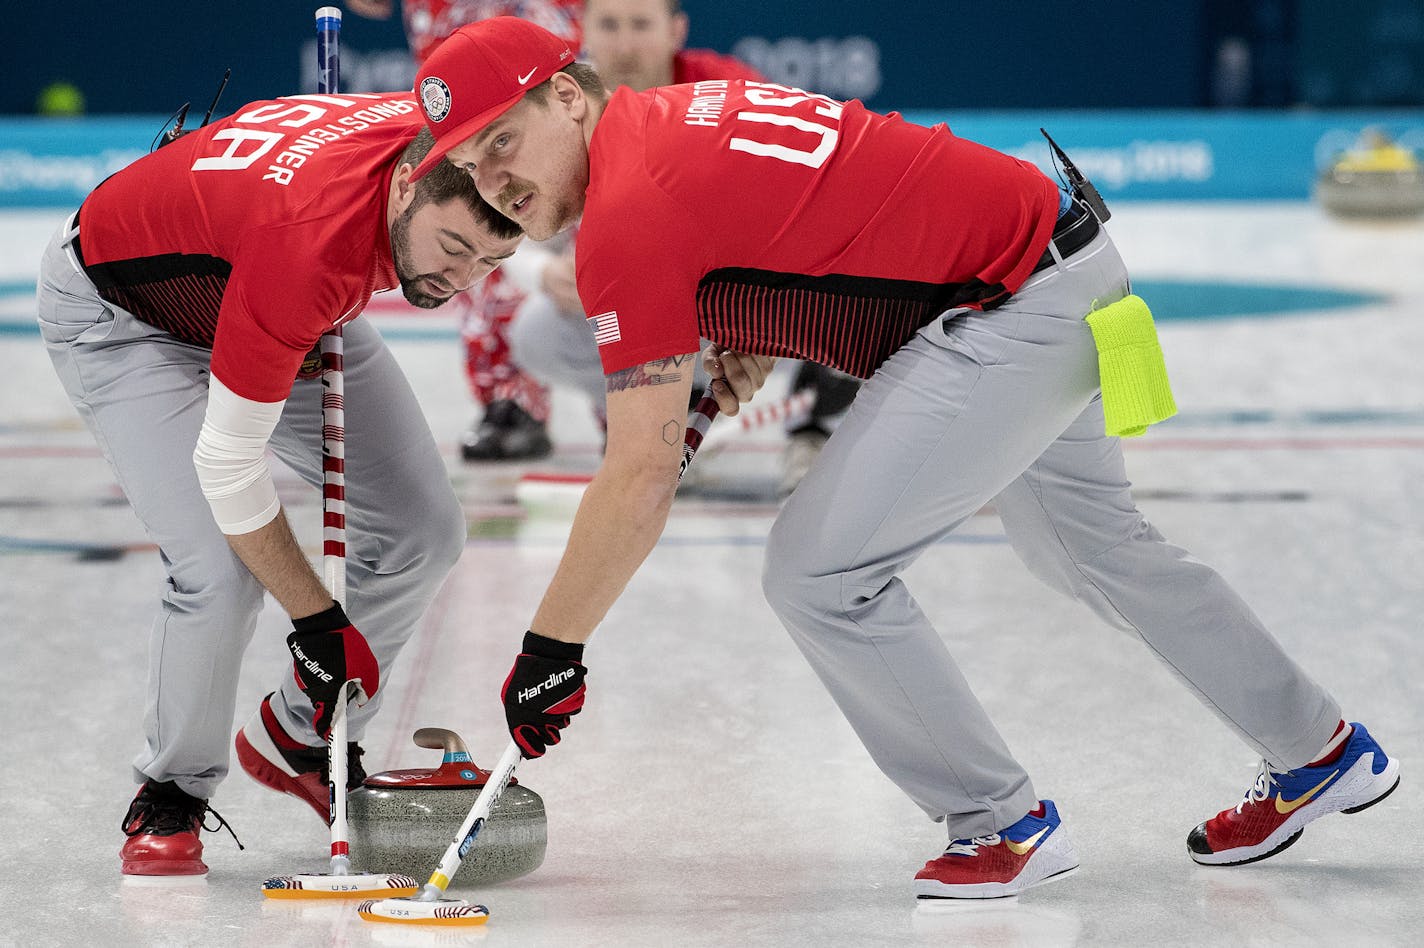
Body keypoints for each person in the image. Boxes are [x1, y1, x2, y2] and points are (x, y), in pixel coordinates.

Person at [410, 17, 1400, 899]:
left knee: (819, 572)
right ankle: (1319, 749)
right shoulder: (672, 116)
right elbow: (810, 221)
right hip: (1064, 258)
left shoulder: (626, 210)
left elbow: (635, 478)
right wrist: (750, 331)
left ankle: (996, 824)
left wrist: (548, 652)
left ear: (569, 96)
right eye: (471, 163)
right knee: (1095, 549)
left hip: (1007, 307)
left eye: (505, 140)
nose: (495, 179)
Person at [35, 90, 526, 876]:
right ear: (406, 185)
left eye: (490, 261)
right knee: (218, 569)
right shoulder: (311, 250)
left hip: (270, 291)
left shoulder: (431, 139)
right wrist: (317, 622)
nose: (460, 279)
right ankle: (172, 788)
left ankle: (300, 732)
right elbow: (228, 467)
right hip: (132, 320)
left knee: (422, 531)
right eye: (453, 246)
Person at [505, 0, 861, 487]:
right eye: (609, 25)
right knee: (536, 333)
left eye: (640, 25)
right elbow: (502, 223)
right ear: (582, 30)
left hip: (744, 298)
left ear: (676, 30)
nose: (625, 44)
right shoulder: (556, 108)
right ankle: (665, 413)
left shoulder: (731, 89)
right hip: (649, 310)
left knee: (852, 297)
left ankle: (817, 417)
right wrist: (544, 274)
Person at [348, 0, 584, 461]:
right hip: (453, 19)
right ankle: (510, 396)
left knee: (566, 158)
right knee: (472, 192)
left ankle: (619, 387)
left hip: (546, 17)